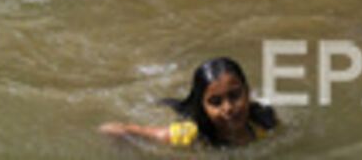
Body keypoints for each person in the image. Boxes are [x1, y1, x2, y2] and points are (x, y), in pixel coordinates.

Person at [99, 57, 277, 150]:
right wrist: (122, 136)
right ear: (203, 107)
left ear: (248, 92)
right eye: (215, 102)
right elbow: (115, 129)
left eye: (235, 96)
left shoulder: (265, 121)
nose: (228, 108)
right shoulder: (190, 135)